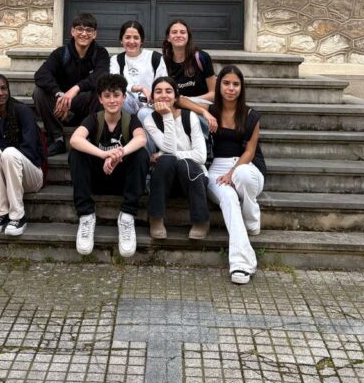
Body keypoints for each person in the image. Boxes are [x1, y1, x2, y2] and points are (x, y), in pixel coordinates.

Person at [68, 72, 148, 258]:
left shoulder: (130, 119)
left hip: (123, 181)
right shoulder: (94, 119)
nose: (112, 100)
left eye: (116, 95)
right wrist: (104, 154)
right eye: (107, 96)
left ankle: (127, 216)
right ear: (100, 99)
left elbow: (141, 139)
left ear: (124, 97)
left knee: (141, 155)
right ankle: (86, 216)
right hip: (97, 179)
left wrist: (118, 155)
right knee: (76, 154)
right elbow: (75, 139)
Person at [206, 64, 266, 285]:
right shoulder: (212, 110)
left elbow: (250, 151)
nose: (231, 88)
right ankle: (241, 264)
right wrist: (203, 111)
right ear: (219, 85)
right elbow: (180, 100)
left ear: (241, 88)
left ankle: (251, 215)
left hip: (248, 167)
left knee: (241, 174)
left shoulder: (251, 115)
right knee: (229, 199)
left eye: (236, 84)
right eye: (226, 83)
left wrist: (232, 172)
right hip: (217, 168)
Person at [0, 73, 44, 237]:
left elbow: (30, 150)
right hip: (6, 178)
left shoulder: (22, 111)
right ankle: (2, 213)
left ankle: (18, 216)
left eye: (4, 88)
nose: (1, 93)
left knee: (9, 153)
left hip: (31, 176)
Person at [140, 76, 209, 240]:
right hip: (166, 180)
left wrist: (162, 154)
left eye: (168, 91)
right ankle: (156, 218)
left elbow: (201, 156)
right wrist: (167, 116)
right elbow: (169, 148)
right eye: (158, 91)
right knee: (166, 161)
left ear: (176, 97)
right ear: (152, 97)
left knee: (183, 163)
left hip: (193, 180)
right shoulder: (150, 120)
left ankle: (201, 221)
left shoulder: (190, 116)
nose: (163, 95)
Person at [33, 12, 110, 156]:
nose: (84, 33)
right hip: (60, 109)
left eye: (89, 30)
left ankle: (91, 137)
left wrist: (75, 89)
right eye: (79, 29)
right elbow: (41, 74)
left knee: (100, 91)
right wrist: (59, 93)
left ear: (94, 34)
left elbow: (102, 75)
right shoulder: (61, 53)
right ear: (72, 31)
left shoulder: (100, 53)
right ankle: (57, 139)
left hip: (85, 108)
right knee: (39, 92)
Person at [162, 19, 218, 135]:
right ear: (168, 38)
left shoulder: (201, 57)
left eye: (182, 32)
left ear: (188, 36)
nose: (178, 35)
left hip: (201, 103)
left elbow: (214, 93)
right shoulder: (164, 62)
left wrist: (188, 101)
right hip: (177, 107)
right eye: (174, 32)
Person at [109, 19, 167, 114]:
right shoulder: (116, 60)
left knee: (143, 113)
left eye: (136, 38)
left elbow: (163, 84)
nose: (131, 41)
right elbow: (115, 84)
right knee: (119, 97)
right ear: (121, 40)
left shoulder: (155, 58)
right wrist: (139, 88)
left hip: (151, 105)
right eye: (127, 37)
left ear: (141, 41)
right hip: (126, 106)